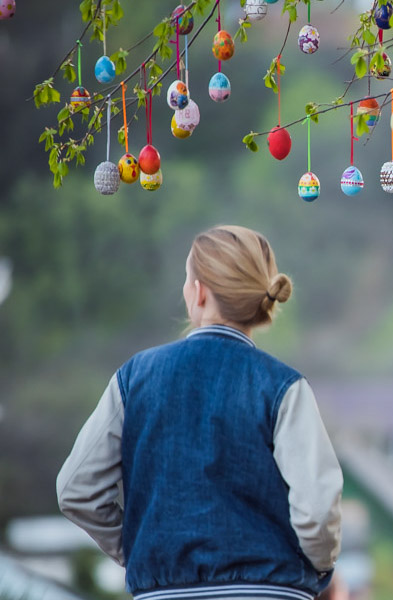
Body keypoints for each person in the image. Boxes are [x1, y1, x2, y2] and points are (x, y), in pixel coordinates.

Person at [57, 225, 343, 600]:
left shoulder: (134, 378)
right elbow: (318, 511)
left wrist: (139, 550)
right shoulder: (285, 386)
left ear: (200, 291)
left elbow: (76, 489)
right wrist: (318, 564)